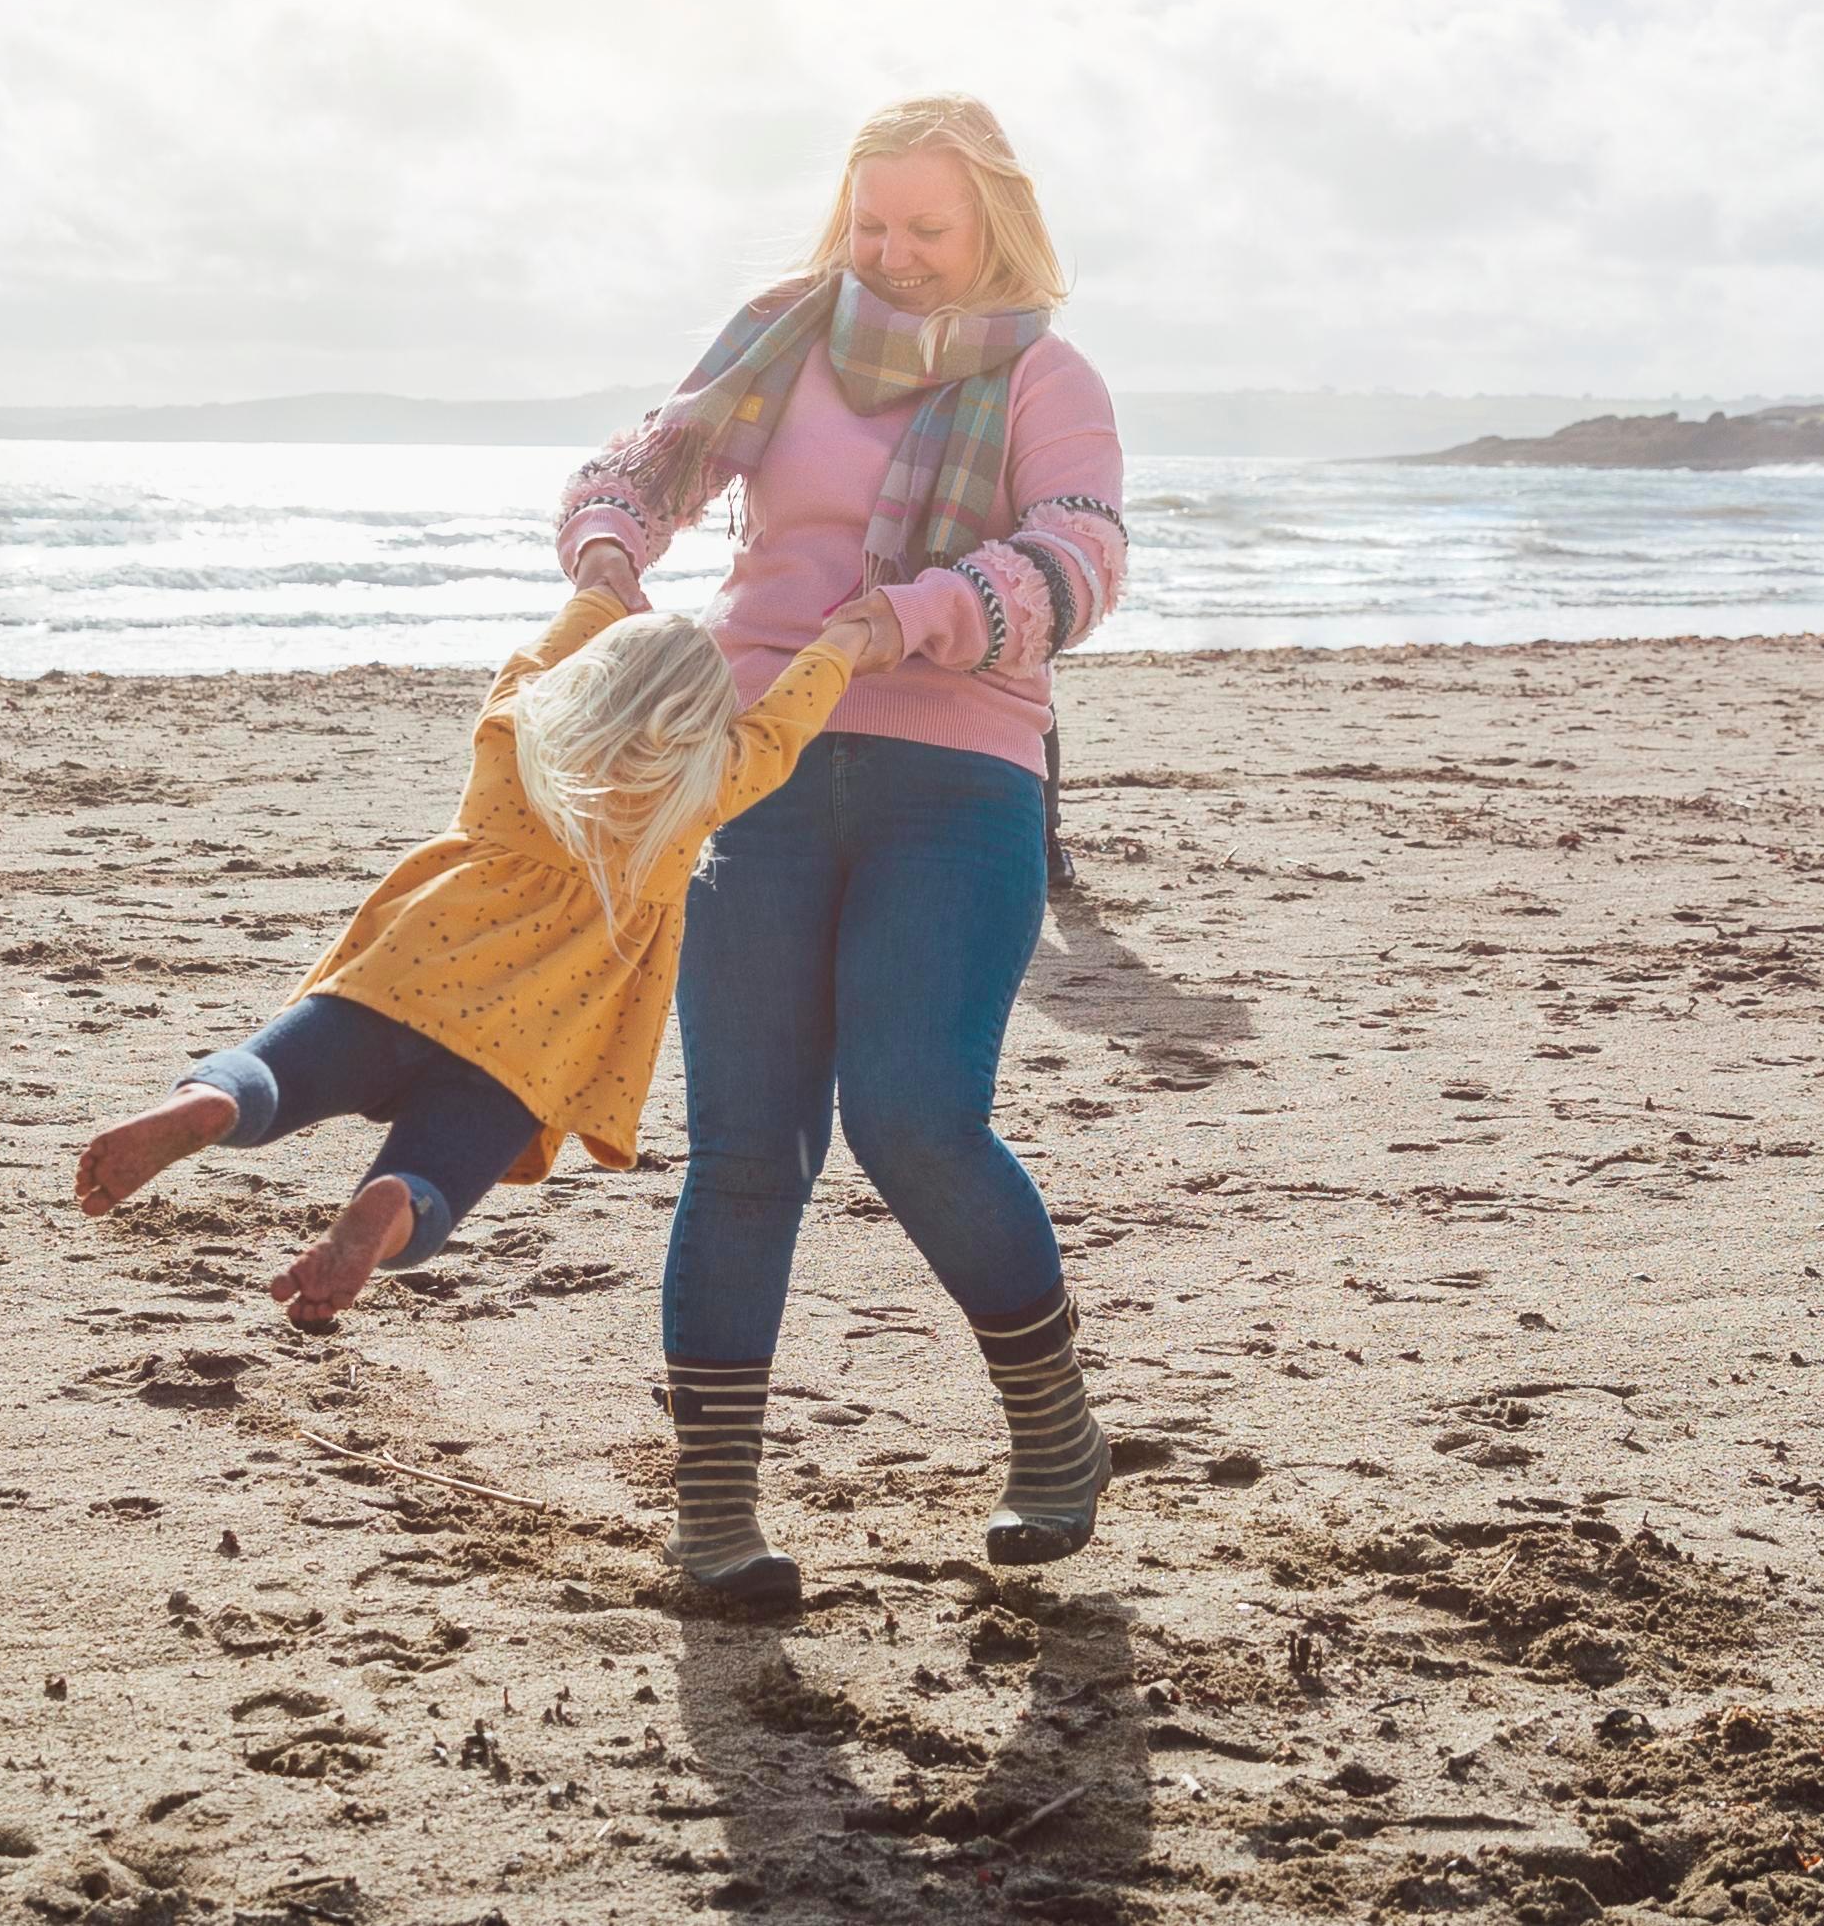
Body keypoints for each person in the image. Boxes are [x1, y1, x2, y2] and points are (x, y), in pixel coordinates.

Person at [555, 93, 1129, 1609]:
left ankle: (1057, 1434)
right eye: (872, 224)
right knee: (747, 1147)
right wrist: (609, 544)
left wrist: (917, 610)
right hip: (755, 768)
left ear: (989, 226)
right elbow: (649, 462)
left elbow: (1083, 556)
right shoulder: (776, 335)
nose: (892, 253)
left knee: (915, 1113)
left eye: (924, 230)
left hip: (961, 780)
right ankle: (716, 1522)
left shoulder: (1046, 379)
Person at [72, 588, 902, 1331]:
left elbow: (536, 656)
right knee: (432, 1180)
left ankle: (210, 1103)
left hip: (403, 980)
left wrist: (600, 594)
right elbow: (787, 722)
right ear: (705, 724)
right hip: (527, 1054)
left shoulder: (515, 729)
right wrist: (845, 644)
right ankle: (387, 1202)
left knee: (270, 1071)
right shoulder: (704, 789)